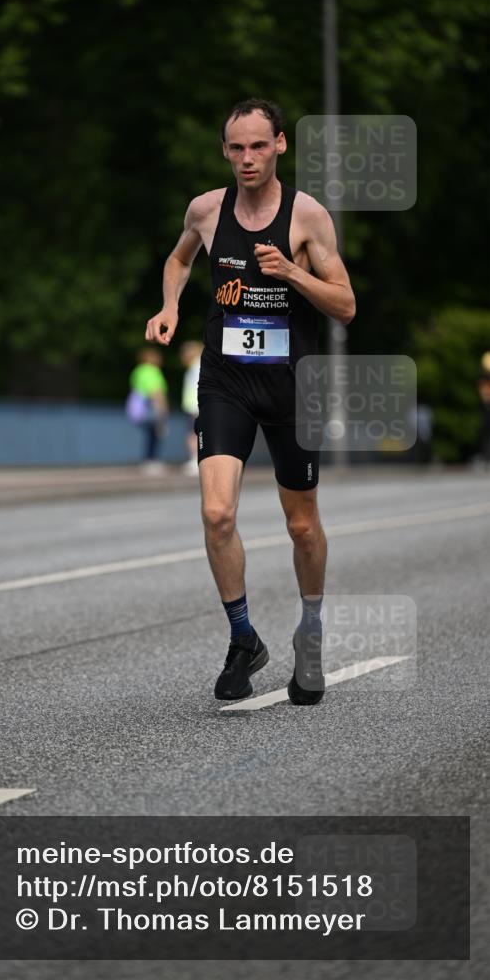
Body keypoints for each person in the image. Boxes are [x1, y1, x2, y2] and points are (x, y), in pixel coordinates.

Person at [145, 98, 355, 703]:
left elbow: (345, 305)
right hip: (226, 381)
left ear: (281, 145)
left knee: (302, 524)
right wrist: (170, 305)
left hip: (292, 386)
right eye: (236, 148)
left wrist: (291, 273)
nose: (247, 158)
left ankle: (309, 631)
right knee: (216, 514)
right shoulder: (207, 211)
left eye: (258, 146)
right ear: (224, 151)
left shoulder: (307, 216)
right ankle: (244, 638)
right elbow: (180, 258)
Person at [127, 348, 169, 475]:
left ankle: (147, 460)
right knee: (155, 435)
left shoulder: (137, 371)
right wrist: (163, 411)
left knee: (149, 435)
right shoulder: (152, 371)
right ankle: (152, 461)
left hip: (139, 409)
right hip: (151, 409)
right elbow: (156, 392)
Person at [180, 340, 204, 476]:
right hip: (195, 406)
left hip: (195, 406)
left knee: (193, 434)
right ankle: (196, 459)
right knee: (196, 434)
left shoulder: (196, 367)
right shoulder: (196, 367)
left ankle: (195, 459)